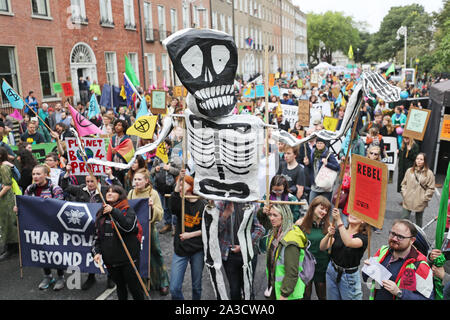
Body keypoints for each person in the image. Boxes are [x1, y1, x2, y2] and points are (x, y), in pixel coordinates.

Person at [61, 167, 119, 290]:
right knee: (90, 251)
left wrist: (111, 176)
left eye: (92, 181)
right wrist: (67, 173)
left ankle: (111, 277)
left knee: (108, 252)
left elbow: (119, 189)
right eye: (87, 181)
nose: (89, 184)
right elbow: (65, 187)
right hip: (87, 227)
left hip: (104, 227)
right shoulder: (81, 189)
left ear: (98, 181)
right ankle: (91, 276)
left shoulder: (105, 190)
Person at [91, 185, 145, 300]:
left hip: (128, 259)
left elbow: (129, 228)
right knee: (120, 288)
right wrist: (96, 252)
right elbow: (97, 236)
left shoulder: (128, 210)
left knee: (135, 288)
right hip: (111, 260)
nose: (109, 193)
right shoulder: (101, 213)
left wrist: (114, 211)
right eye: (108, 192)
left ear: (120, 195)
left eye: (114, 192)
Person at [363, 219, 434, 300]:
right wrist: (367, 270)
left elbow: (427, 298)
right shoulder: (383, 251)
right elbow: (369, 281)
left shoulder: (421, 265)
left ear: (412, 240)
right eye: (392, 234)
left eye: (400, 237)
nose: (394, 239)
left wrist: (399, 293)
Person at [128, 168, 170, 296]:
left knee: (155, 253)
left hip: (150, 229)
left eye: (139, 179)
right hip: (135, 230)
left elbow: (160, 214)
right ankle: (144, 281)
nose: (136, 182)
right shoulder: (130, 193)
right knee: (139, 255)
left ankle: (163, 282)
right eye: (135, 179)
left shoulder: (153, 194)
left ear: (146, 181)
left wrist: (151, 207)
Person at [24, 164, 65, 290]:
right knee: (42, 251)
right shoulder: (29, 189)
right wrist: (18, 207)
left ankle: (60, 277)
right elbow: (24, 204)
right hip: (37, 226)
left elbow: (61, 206)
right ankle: (47, 276)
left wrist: (51, 202)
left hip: (53, 227)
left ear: (46, 175)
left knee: (55, 251)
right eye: (34, 174)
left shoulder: (55, 188)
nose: (35, 177)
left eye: (38, 174)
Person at [168, 169, 206, 300]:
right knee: (174, 288)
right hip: (181, 249)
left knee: (197, 286)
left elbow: (207, 229)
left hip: (197, 249)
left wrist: (189, 235)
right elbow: (173, 208)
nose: (180, 186)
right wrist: (178, 185)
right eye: (179, 184)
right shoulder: (180, 201)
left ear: (191, 186)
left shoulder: (203, 204)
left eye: (184, 184)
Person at [216, 201, 265, 300]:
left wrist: (243, 246)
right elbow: (214, 230)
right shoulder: (222, 203)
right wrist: (225, 215)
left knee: (248, 288)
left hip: (248, 254)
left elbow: (260, 229)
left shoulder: (253, 204)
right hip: (229, 254)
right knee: (234, 290)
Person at [320, 208, 368, 300]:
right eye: (352, 212)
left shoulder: (363, 238)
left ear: (363, 221)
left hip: (349, 277)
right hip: (332, 270)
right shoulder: (339, 231)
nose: (353, 215)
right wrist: (328, 235)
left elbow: (348, 242)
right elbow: (322, 247)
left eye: (357, 214)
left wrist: (338, 220)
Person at [265, 205, 308, 300]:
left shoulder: (291, 240)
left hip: (289, 295)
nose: (271, 218)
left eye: (275, 215)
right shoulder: (276, 232)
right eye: (270, 215)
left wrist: (284, 294)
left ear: (284, 216)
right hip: (277, 288)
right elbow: (263, 222)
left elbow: (292, 272)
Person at [296, 195, 332, 300]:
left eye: (326, 210)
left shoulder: (329, 226)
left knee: (323, 295)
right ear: (313, 207)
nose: (324, 212)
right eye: (321, 208)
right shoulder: (300, 223)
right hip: (305, 264)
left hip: (322, 264)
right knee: (305, 295)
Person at [151, 138, 182, 235]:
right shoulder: (157, 157)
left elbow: (179, 171)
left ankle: (176, 226)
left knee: (174, 206)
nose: (161, 147)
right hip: (160, 186)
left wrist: (169, 169)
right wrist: (155, 169)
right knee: (165, 207)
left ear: (168, 146)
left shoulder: (174, 157)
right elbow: (151, 171)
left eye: (163, 145)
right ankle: (167, 224)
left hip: (172, 186)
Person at [400, 153, 435, 227]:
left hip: (420, 200)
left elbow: (431, 188)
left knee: (418, 220)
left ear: (425, 161)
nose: (418, 161)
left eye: (421, 159)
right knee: (404, 219)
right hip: (408, 199)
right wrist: (404, 194)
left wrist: (424, 198)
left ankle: (418, 236)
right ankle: (402, 235)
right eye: (417, 159)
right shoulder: (409, 171)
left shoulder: (429, 173)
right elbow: (404, 184)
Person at [304, 137, 340, 203]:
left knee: (325, 207)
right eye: (318, 143)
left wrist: (327, 164)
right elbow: (312, 167)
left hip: (325, 187)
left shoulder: (328, 154)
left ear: (324, 144)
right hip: (315, 185)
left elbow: (337, 167)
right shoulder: (313, 153)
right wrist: (308, 163)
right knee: (311, 205)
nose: (319, 145)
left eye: (321, 143)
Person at [0, 147, 19, 261]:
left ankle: (11, 249)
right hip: (4, 198)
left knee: (8, 222)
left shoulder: (3, 167)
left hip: (6, 199)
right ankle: (10, 247)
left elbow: (7, 185)